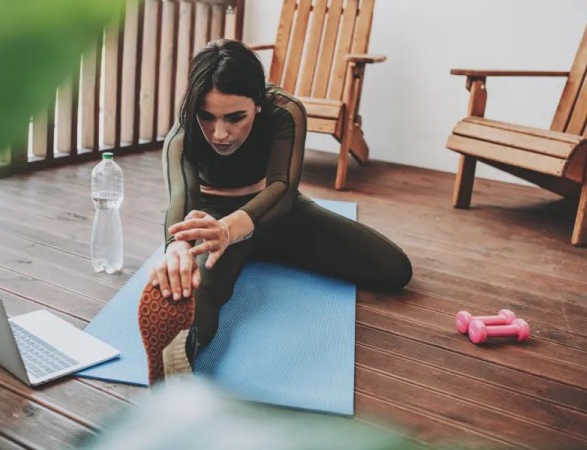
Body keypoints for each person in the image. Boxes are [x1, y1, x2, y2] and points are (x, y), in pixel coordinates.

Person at [138, 40, 412, 383]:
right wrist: (176, 248)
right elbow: (181, 198)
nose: (219, 133)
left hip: (275, 212)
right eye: (207, 117)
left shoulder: (285, 110)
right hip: (212, 221)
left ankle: (255, 248)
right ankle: (177, 360)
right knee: (198, 292)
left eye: (235, 117)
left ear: (258, 105)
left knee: (395, 269)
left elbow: (283, 189)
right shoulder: (182, 133)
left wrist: (231, 230)